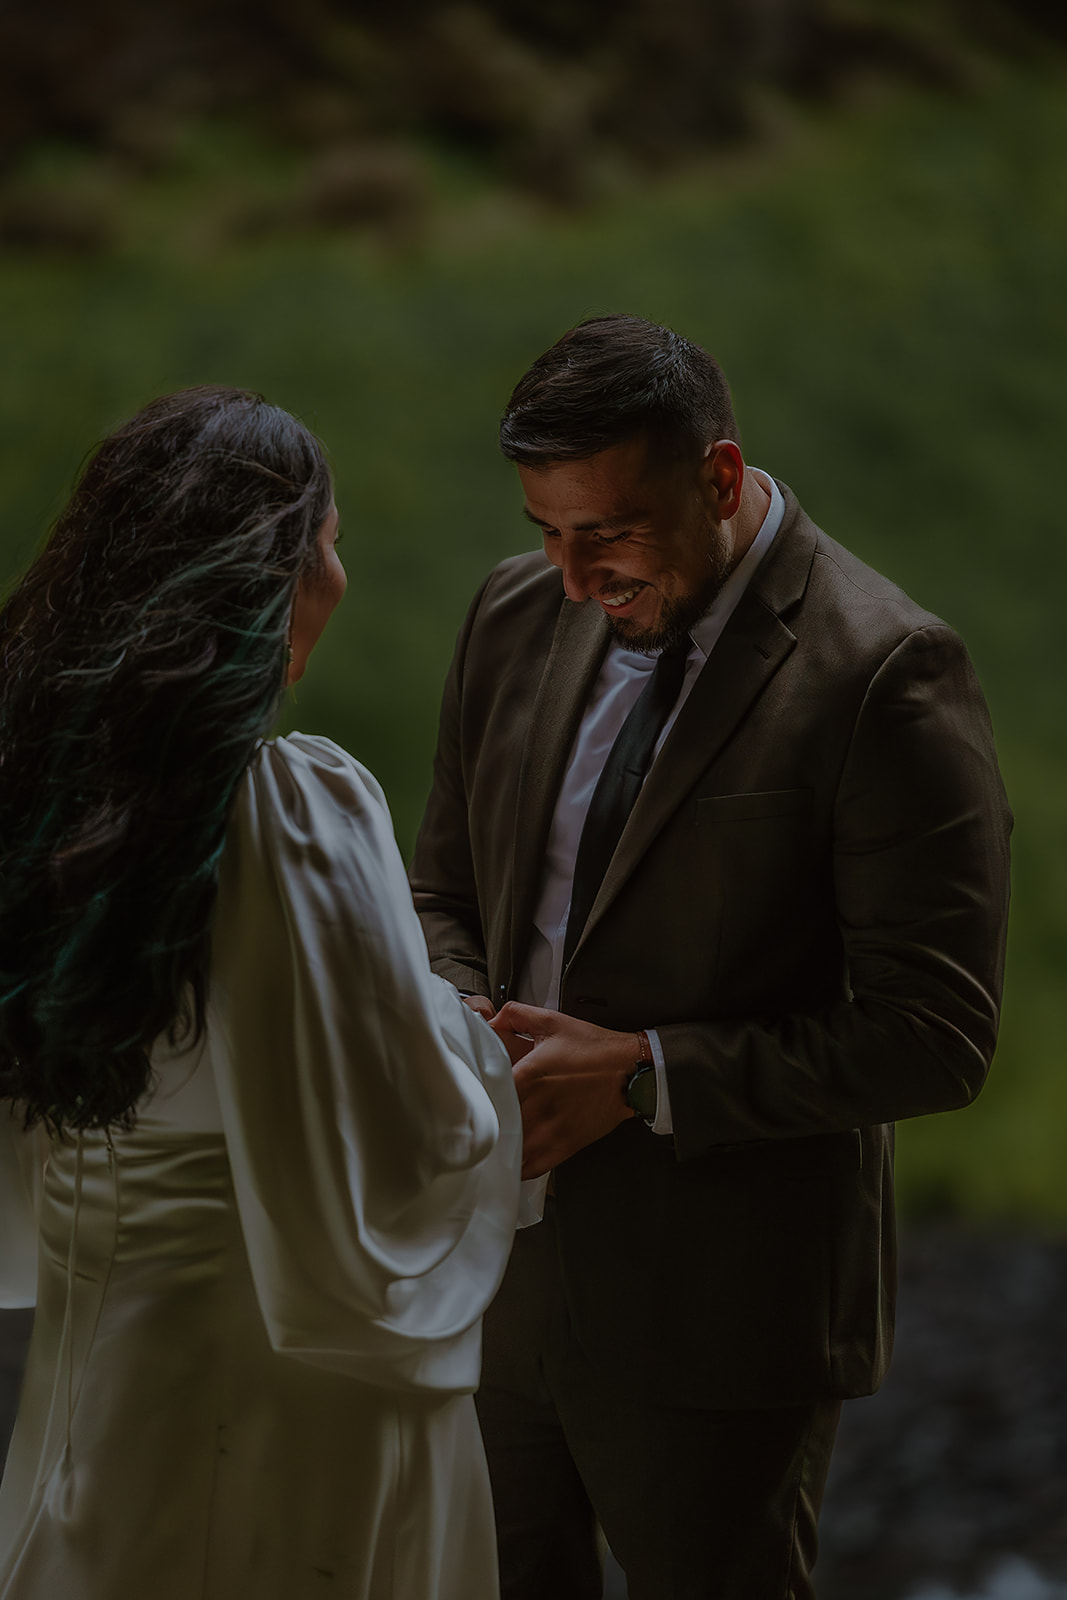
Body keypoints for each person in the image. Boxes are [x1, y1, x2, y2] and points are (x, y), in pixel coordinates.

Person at [410, 314, 1012, 1599]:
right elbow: (443, 888)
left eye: (607, 534)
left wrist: (642, 1074)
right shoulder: (513, 613)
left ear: (720, 478)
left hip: (721, 1313)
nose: (572, 577)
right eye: (546, 532)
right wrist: (459, 1008)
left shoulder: (887, 672)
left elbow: (934, 1032)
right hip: (491, 1275)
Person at [0, 386, 521, 1600]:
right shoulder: (288, 807)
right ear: (272, 576)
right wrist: (484, 1052)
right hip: (287, 1362)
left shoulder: (35, 795)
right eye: (329, 547)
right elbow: (403, 1121)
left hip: (108, 1344)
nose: (337, 580)